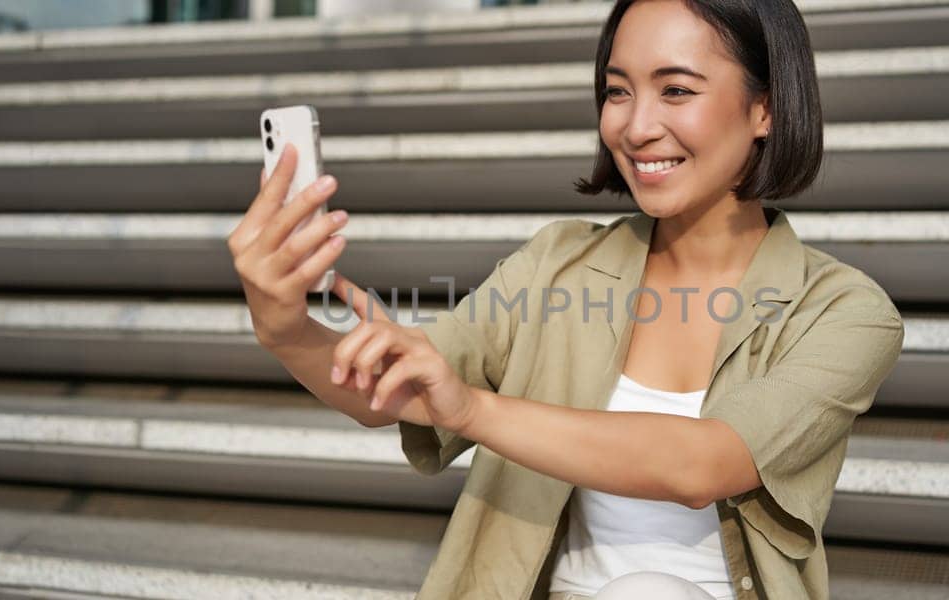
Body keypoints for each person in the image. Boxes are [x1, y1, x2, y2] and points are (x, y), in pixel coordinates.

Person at [228, 0, 906, 598]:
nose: (636, 127)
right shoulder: (559, 265)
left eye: (675, 90)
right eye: (617, 92)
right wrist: (283, 325)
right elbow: (396, 393)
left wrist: (473, 408)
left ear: (767, 108)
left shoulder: (843, 311)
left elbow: (700, 464)